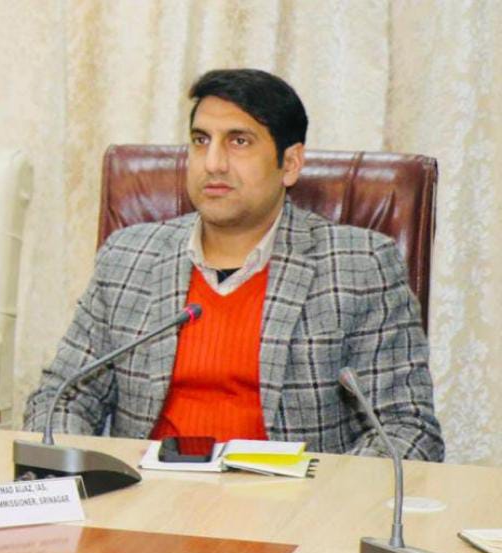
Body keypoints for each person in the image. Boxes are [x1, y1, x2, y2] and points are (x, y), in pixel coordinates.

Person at [23, 68, 442, 460]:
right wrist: (82, 476)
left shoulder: (360, 266)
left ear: (290, 164)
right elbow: (61, 398)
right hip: (150, 494)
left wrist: (321, 500)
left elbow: (407, 429)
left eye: (238, 141)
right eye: (200, 140)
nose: (213, 163)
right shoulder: (128, 256)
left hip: (291, 502)